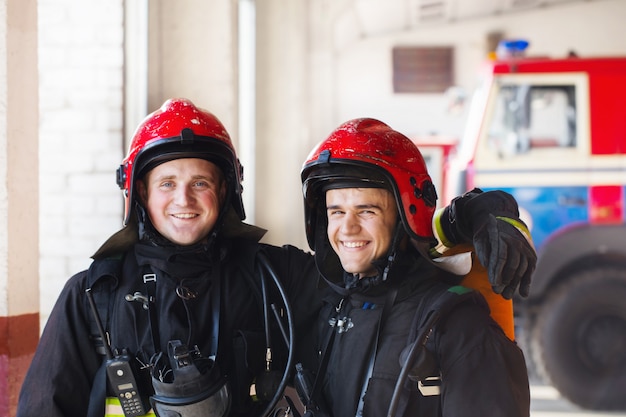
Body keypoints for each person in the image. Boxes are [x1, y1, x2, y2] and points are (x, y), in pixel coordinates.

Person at [17, 99, 533, 417]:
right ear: (140, 194)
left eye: (200, 182)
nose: (184, 199)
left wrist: (479, 213)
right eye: (167, 183)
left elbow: (385, 260)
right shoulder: (91, 298)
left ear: (226, 192)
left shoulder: (275, 277)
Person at [297, 117, 531, 417]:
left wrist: (483, 209)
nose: (348, 228)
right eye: (337, 211)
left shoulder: (458, 328)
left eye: (366, 211)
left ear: (403, 220)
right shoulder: (325, 300)